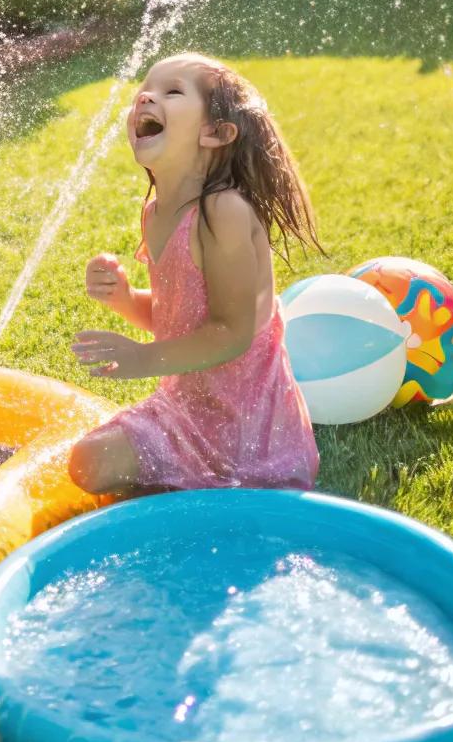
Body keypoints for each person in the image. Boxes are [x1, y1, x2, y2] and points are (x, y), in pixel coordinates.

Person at [68, 53, 320, 497]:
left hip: (247, 432)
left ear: (215, 133)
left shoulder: (223, 211)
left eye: (172, 91)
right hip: (187, 409)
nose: (146, 96)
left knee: (92, 462)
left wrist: (143, 359)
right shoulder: (156, 213)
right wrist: (124, 298)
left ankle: (200, 490)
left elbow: (231, 332)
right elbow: (178, 317)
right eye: (144, 89)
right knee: (86, 460)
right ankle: (179, 488)